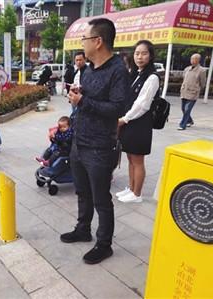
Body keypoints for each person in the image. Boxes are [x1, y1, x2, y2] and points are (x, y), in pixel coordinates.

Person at [60, 18, 129, 264]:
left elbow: (117, 108)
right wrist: (78, 96)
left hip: (100, 147)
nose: (83, 43)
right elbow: (87, 101)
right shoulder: (88, 69)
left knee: (101, 198)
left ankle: (104, 244)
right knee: (82, 191)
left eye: (85, 39)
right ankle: (83, 229)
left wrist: (83, 102)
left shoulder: (118, 70)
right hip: (80, 141)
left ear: (98, 42)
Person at [117, 40, 160, 203]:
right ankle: (131, 187)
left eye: (144, 53)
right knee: (130, 157)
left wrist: (124, 119)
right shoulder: (136, 74)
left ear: (150, 56)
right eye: (137, 53)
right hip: (129, 122)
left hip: (139, 124)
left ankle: (137, 194)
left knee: (137, 160)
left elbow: (142, 104)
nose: (139, 57)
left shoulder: (152, 77)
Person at [178, 53, 206, 130]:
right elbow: (184, 79)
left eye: (195, 59)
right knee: (183, 108)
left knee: (187, 109)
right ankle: (189, 121)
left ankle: (182, 125)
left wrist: (197, 88)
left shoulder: (202, 70)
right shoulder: (187, 69)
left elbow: (203, 82)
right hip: (184, 91)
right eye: (192, 59)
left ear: (198, 60)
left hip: (193, 93)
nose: (193, 61)